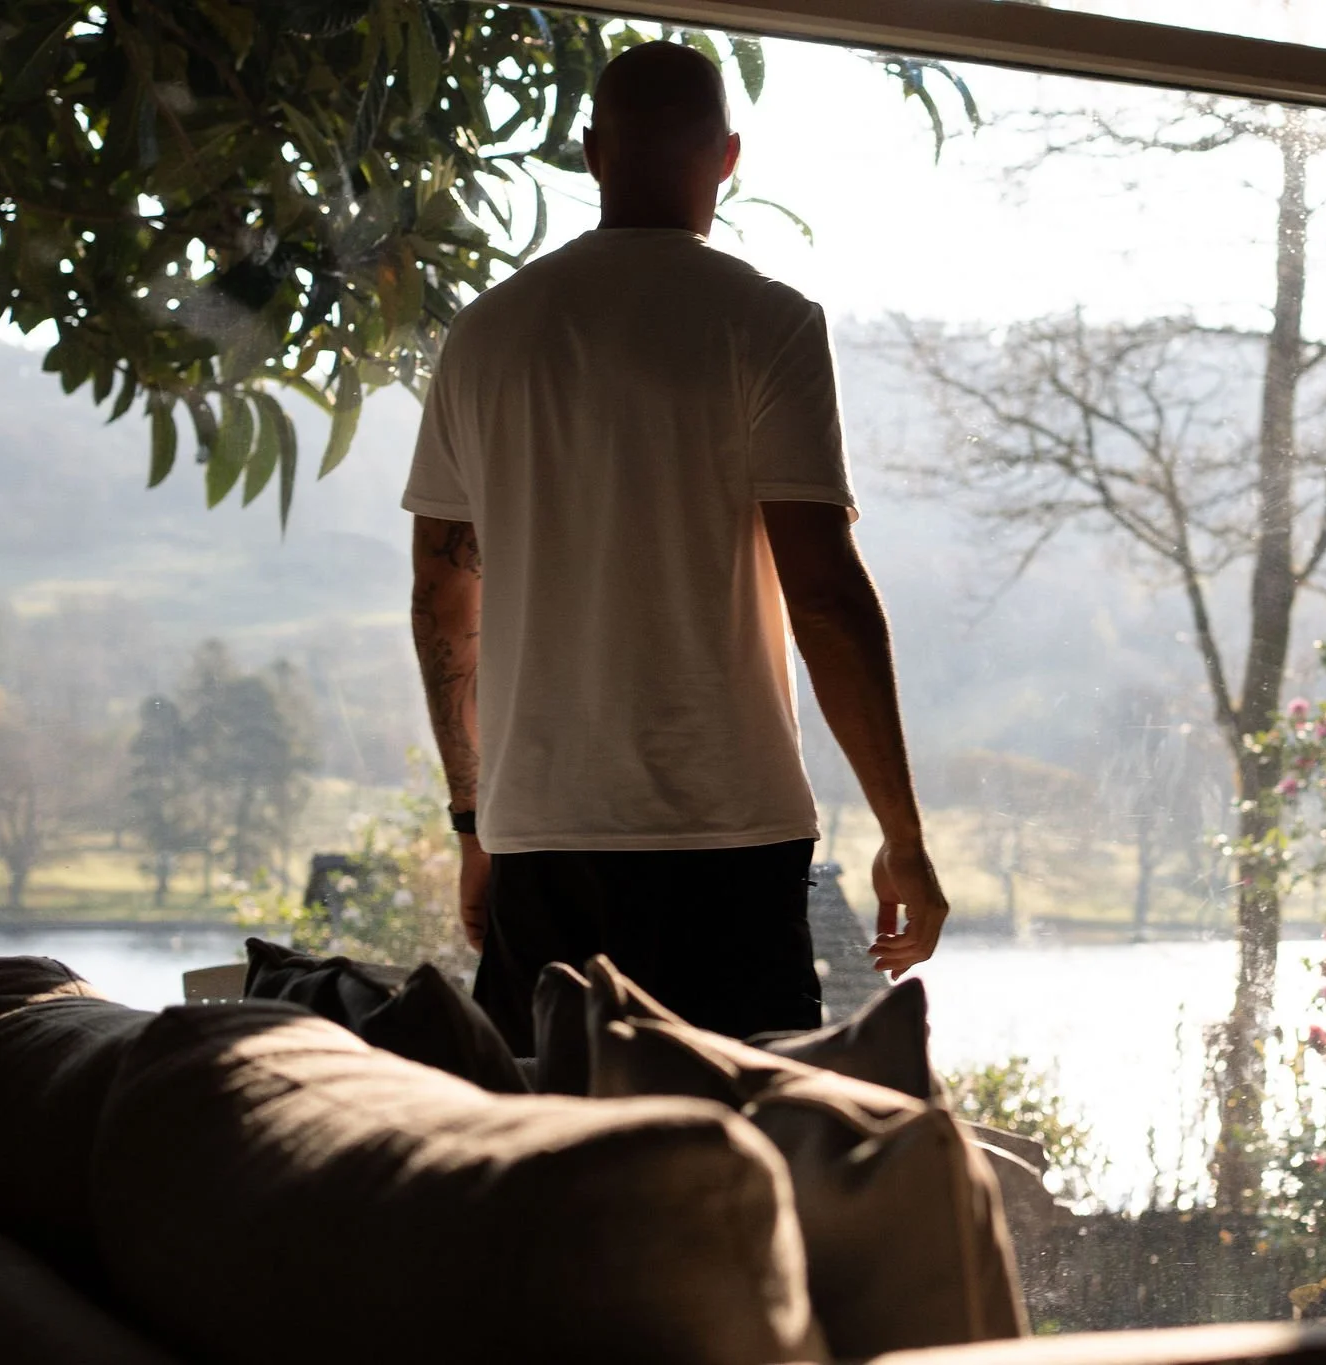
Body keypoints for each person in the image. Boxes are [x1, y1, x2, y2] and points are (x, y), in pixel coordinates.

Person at [403, 41, 948, 1052]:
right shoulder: (768, 324)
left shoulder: (486, 334)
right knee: (738, 1163)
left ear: (589, 152)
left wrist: (475, 824)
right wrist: (903, 840)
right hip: (728, 829)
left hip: (541, 827)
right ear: (728, 156)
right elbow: (822, 594)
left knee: (550, 1159)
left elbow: (443, 597)